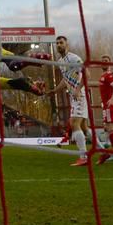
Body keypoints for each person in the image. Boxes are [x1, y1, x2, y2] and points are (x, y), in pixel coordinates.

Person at [43, 36, 98, 167]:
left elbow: (87, 74)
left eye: (61, 43)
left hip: (80, 94)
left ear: (67, 44)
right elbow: (65, 80)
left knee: (74, 123)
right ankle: (103, 149)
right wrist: (55, 90)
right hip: (75, 95)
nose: (58, 45)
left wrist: (78, 89)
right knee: (84, 127)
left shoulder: (74, 58)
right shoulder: (61, 61)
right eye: (57, 43)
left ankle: (84, 157)